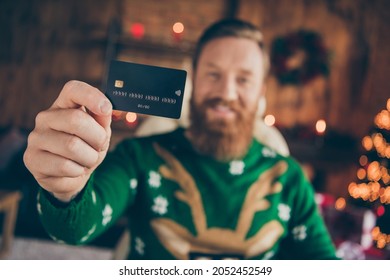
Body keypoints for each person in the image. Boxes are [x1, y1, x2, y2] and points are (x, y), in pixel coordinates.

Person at [23, 18, 338, 259]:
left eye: (243, 79)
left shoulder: (289, 180)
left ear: (260, 94)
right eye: (213, 74)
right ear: (194, 82)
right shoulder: (140, 156)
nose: (226, 93)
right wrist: (64, 189)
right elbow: (76, 227)